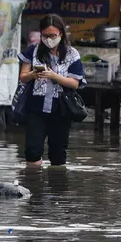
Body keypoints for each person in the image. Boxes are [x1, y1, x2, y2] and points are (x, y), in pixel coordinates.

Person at [17, 14, 85, 167]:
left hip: (60, 107)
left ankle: (57, 187)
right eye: (45, 36)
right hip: (36, 106)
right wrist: (33, 74)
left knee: (58, 152)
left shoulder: (71, 54)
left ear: (61, 33)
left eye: (52, 35)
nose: (49, 39)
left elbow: (74, 83)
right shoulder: (33, 51)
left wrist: (54, 76)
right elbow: (22, 77)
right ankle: (34, 184)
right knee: (32, 151)